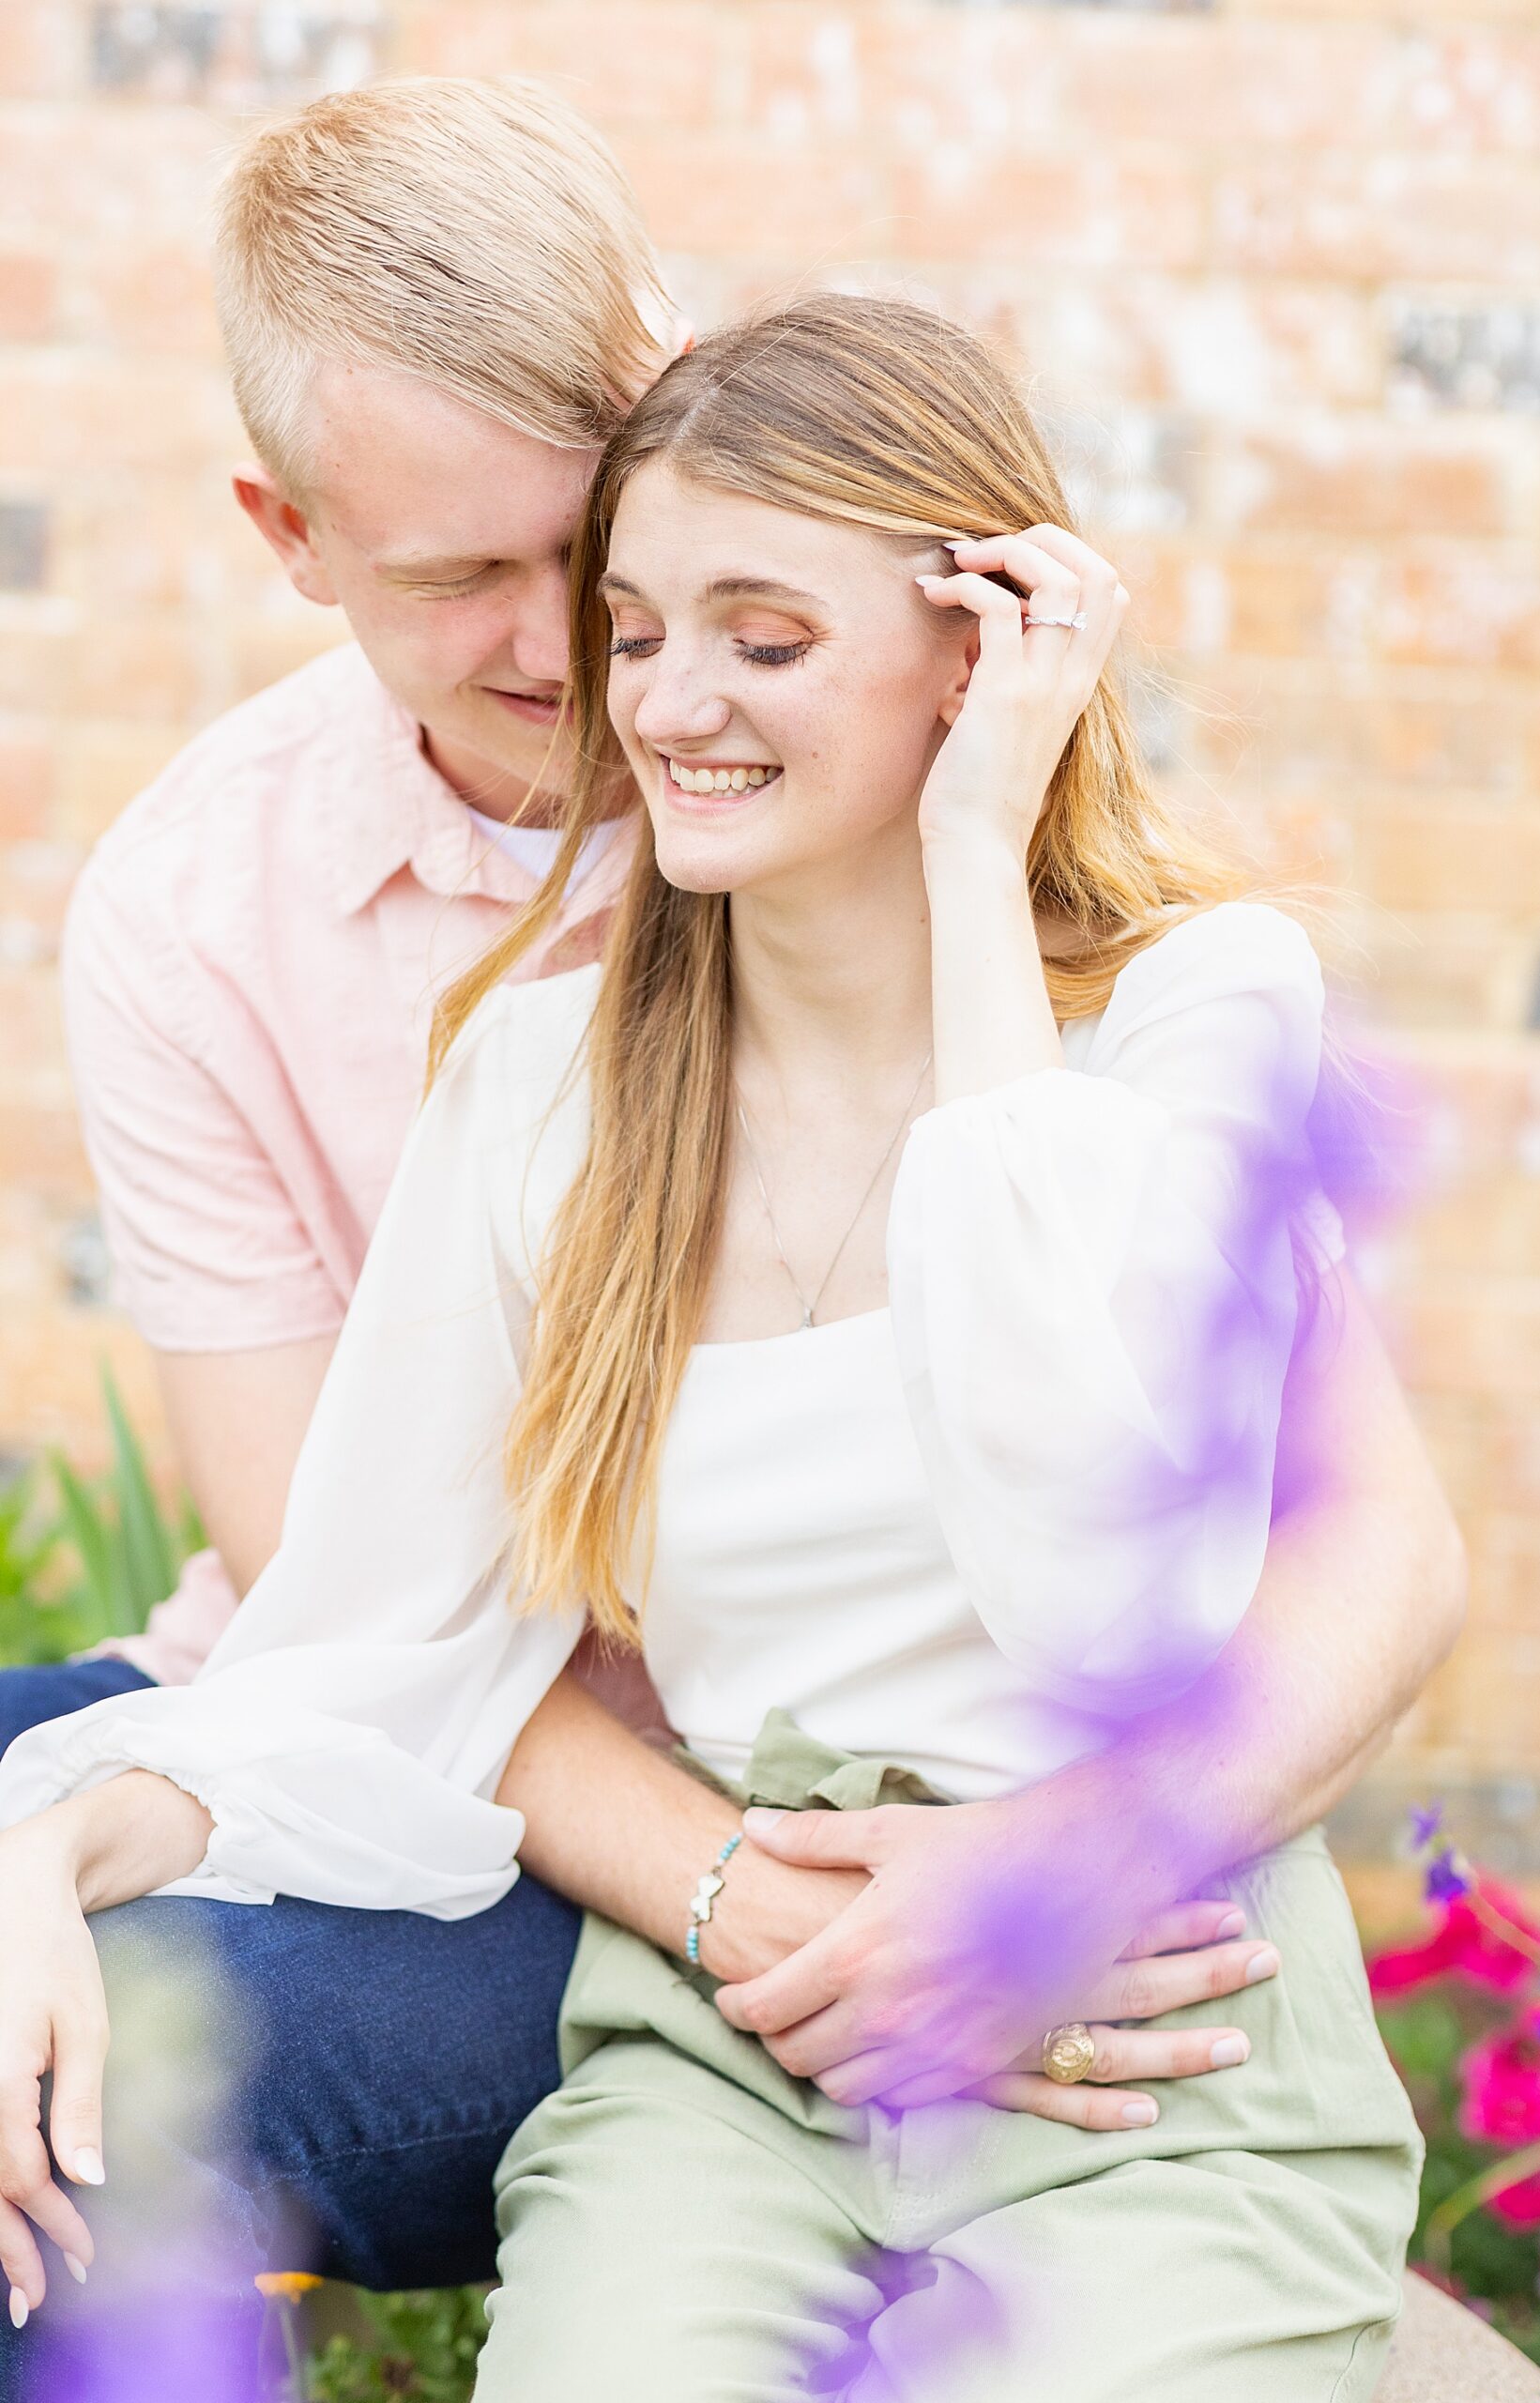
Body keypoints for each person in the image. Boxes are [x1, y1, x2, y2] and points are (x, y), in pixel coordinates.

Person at [4, 294, 1433, 2399]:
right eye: (639, 627)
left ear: (981, 655)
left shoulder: (1193, 1015)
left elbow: (1085, 1580)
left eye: (761, 639)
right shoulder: (545, 1080)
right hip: (721, 2043)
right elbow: (369, 1648)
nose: (665, 702)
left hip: (1141, 2017)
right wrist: (41, 1843)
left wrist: (969, 864)